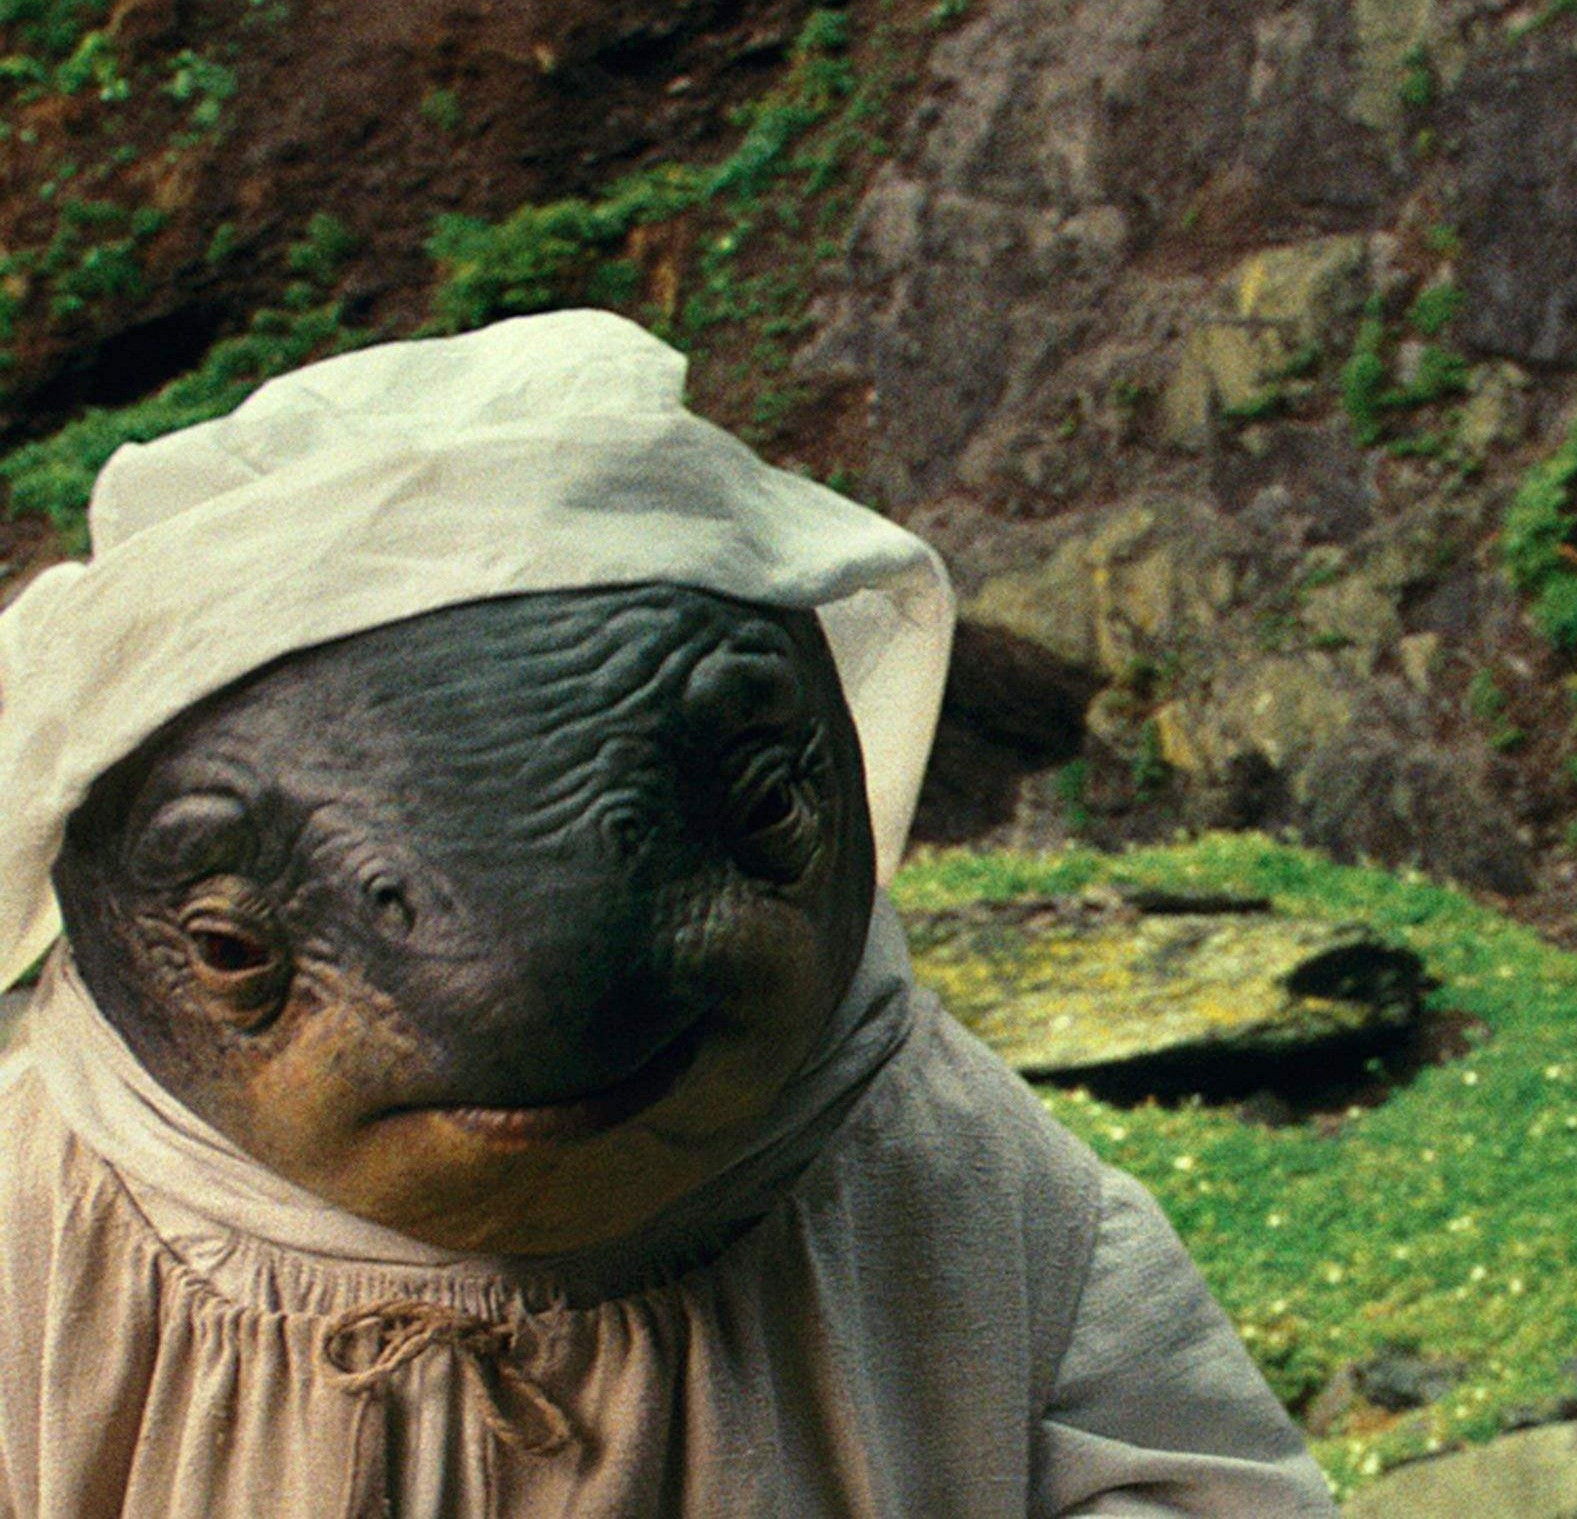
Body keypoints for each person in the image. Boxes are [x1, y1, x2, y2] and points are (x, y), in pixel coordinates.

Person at [0, 310, 1335, 1516]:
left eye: (757, 813)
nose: (522, 998)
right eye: (237, 951)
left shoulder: (930, 1165)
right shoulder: (48, 1217)